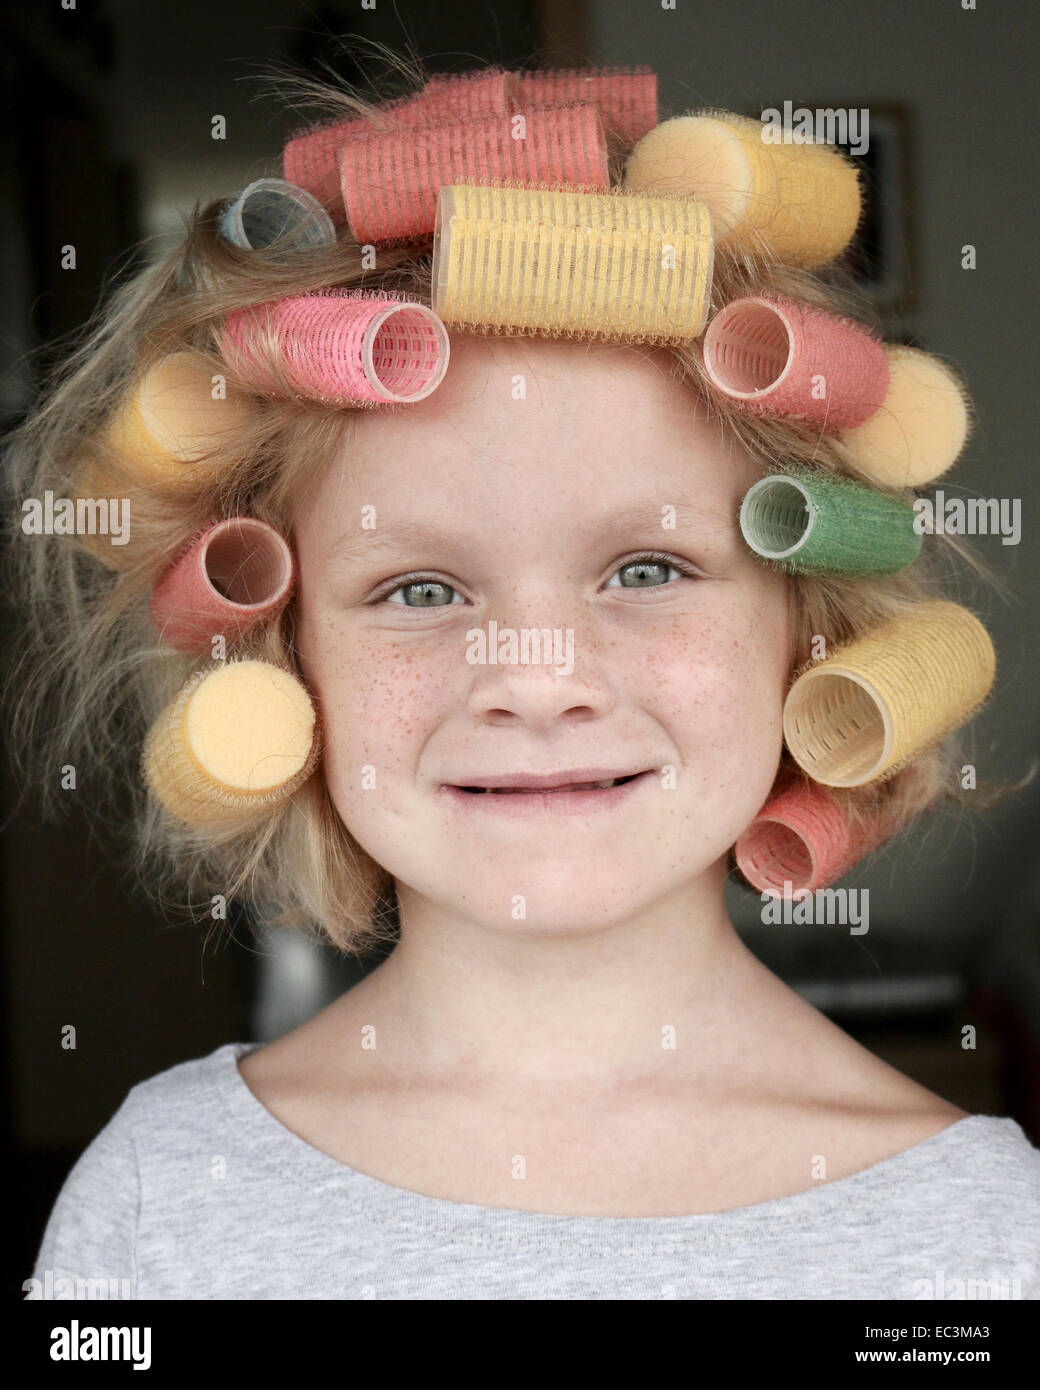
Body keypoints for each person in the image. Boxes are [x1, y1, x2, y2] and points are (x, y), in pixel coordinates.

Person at [10, 53, 1039, 1300]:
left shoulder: (982, 1237)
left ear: (805, 623)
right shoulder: (158, 1203)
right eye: (420, 591)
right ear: (288, 663)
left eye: (648, 568)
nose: (537, 683)